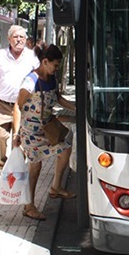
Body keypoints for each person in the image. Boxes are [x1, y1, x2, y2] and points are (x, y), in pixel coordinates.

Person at [13, 44, 76, 220]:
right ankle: (28, 205)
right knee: (35, 166)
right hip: (30, 130)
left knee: (65, 149)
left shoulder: (52, 78)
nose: (56, 69)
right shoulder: (30, 81)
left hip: (48, 127)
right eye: (55, 65)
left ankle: (55, 188)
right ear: (45, 61)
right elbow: (17, 107)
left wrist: (76, 108)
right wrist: (16, 134)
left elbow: (58, 98)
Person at [0, 25, 39, 168]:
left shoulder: (32, 56)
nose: (19, 40)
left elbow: (39, 78)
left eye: (22, 37)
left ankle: (17, 170)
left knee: (21, 140)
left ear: (26, 40)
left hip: (24, 107)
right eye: (16, 37)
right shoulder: (0, 55)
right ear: (9, 39)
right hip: (2, 105)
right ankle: (1, 163)